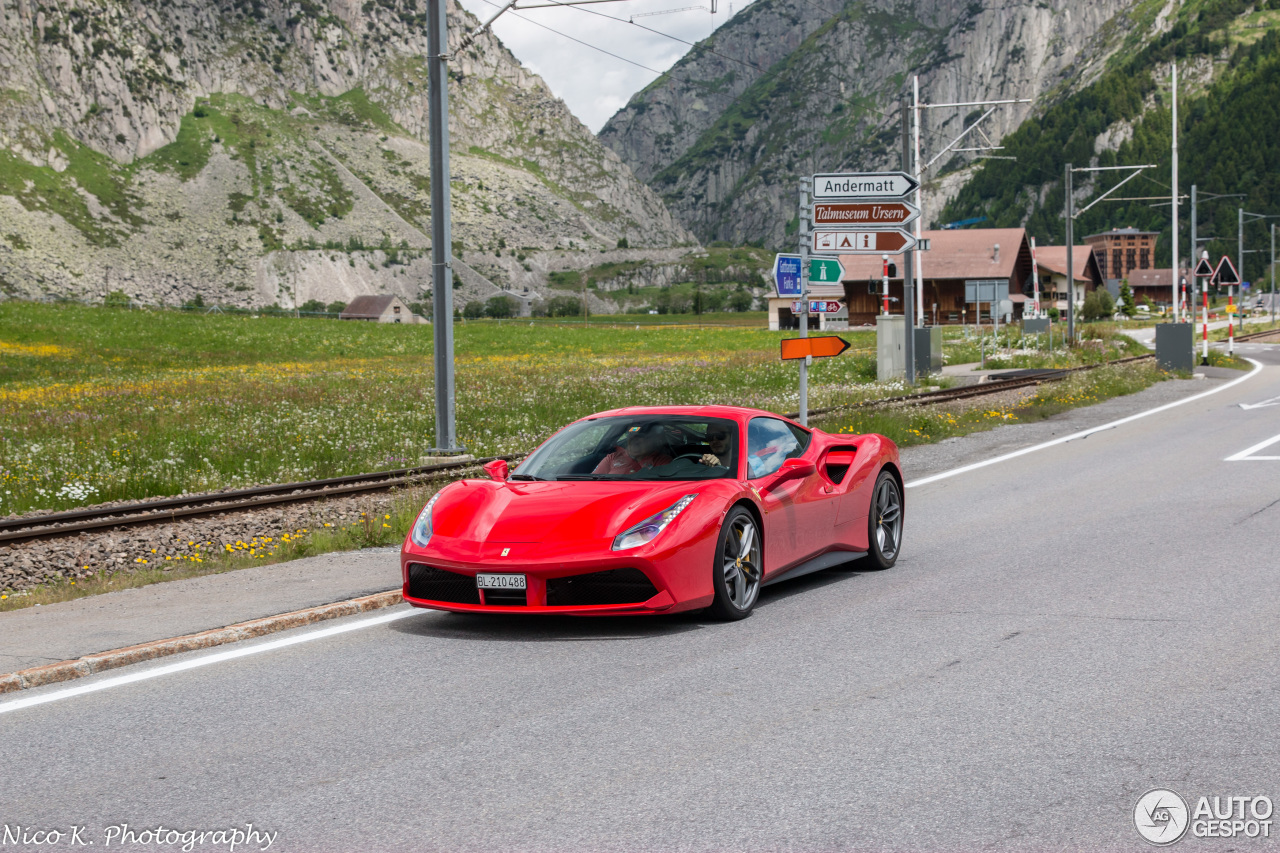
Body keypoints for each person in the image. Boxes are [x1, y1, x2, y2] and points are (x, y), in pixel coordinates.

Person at [592, 423, 673, 475]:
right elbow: (594, 480)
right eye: (631, 437)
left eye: (640, 437)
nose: (634, 440)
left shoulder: (662, 461)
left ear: (652, 441)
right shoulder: (613, 457)